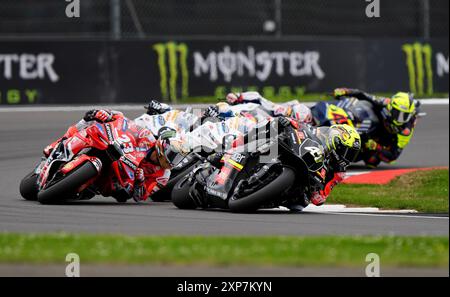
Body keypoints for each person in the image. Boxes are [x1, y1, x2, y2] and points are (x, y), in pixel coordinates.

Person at [43, 109, 180, 202]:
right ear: (161, 146)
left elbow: (140, 197)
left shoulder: (163, 177)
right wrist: (109, 115)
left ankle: (83, 185)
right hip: (114, 149)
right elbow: (126, 124)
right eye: (170, 155)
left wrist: (139, 182)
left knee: (121, 195)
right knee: (90, 121)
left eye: (174, 159)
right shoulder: (147, 136)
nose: (169, 162)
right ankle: (61, 142)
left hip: (120, 179)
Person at [332, 88, 418, 167]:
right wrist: (346, 91)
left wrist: (376, 146)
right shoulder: (385, 102)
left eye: (405, 116)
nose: (400, 119)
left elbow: (393, 157)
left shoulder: (406, 131)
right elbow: (363, 95)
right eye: (398, 114)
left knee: (372, 161)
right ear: (391, 108)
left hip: (385, 140)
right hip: (373, 124)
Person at [306, 123, 361, 206]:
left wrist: (319, 195)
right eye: (346, 151)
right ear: (337, 142)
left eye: (352, 154)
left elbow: (325, 192)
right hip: (300, 152)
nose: (348, 157)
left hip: (303, 186)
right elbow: (301, 127)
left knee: (297, 205)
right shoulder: (318, 132)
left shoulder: (339, 172)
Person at [225, 91, 313, 123]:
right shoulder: (278, 110)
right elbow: (257, 96)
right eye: (290, 113)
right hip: (246, 121)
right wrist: (238, 96)